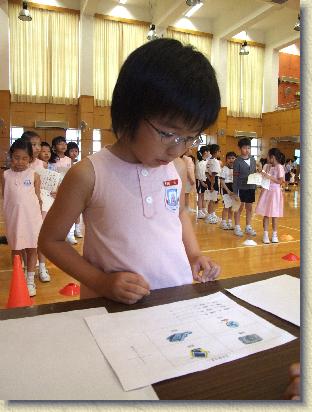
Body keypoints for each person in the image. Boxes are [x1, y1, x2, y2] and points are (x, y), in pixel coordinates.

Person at [39, 38, 221, 304]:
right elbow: (50, 241)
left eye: (190, 138)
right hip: (112, 309)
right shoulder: (88, 174)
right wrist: (101, 281)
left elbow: (178, 212)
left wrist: (194, 254)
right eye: (169, 133)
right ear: (129, 112)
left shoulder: (178, 169)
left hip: (176, 298)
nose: (177, 149)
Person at [2, 139, 42, 296]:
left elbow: (38, 198)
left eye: (25, 158)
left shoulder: (34, 175)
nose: (20, 161)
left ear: (31, 159)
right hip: (14, 219)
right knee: (17, 249)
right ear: (11, 156)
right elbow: (5, 197)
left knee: (32, 248)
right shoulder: (5, 175)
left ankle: (30, 279)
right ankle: (19, 277)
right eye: (17, 157)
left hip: (32, 218)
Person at [255, 148, 285, 244]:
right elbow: (262, 176)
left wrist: (270, 177)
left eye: (268, 156)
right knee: (266, 214)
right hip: (266, 191)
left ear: (272, 157)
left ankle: (274, 235)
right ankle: (265, 234)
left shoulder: (279, 167)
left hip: (275, 193)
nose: (267, 158)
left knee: (274, 215)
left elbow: (281, 181)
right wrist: (260, 172)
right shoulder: (266, 166)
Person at [232, 138, 257, 237]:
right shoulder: (237, 161)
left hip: (251, 187)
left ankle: (248, 227)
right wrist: (235, 191)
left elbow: (254, 172)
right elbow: (235, 177)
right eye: (244, 148)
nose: (247, 150)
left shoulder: (253, 159)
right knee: (239, 207)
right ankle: (237, 227)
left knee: (249, 208)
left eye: (249, 148)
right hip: (240, 188)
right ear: (240, 148)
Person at [64, 141, 83, 238]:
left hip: (75, 189)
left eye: (76, 151)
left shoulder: (79, 163)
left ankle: (77, 229)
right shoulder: (64, 161)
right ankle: (67, 232)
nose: (74, 153)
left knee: (77, 210)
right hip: (64, 188)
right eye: (72, 151)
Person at [219, 152, 236, 230]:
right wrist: (228, 191)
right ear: (226, 160)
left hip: (234, 189)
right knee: (226, 206)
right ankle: (223, 223)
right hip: (226, 189)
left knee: (232, 207)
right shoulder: (224, 169)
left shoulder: (236, 169)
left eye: (233, 158)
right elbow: (222, 181)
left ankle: (229, 222)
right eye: (229, 158)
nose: (231, 160)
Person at [205, 144, 221, 224]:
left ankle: (212, 214)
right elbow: (214, 174)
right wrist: (212, 185)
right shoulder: (215, 161)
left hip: (209, 181)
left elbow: (207, 173)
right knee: (212, 200)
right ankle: (209, 216)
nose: (220, 153)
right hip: (213, 182)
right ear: (216, 152)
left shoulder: (208, 161)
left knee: (212, 199)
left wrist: (209, 182)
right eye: (219, 151)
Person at [195, 146, 210, 218]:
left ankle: (204, 209)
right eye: (208, 151)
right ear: (205, 152)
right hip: (200, 180)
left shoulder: (206, 161)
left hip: (205, 180)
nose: (209, 153)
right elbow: (199, 173)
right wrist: (202, 182)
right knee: (200, 196)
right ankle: (200, 211)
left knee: (204, 196)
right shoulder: (199, 162)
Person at [182, 148, 196, 213]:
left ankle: (187, 207)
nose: (191, 150)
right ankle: (186, 207)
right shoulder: (186, 158)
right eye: (190, 149)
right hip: (187, 179)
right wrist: (191, 179)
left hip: (188, 179)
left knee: (187, 194)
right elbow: (187, 170)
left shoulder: (187, 158)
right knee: (186, 194)